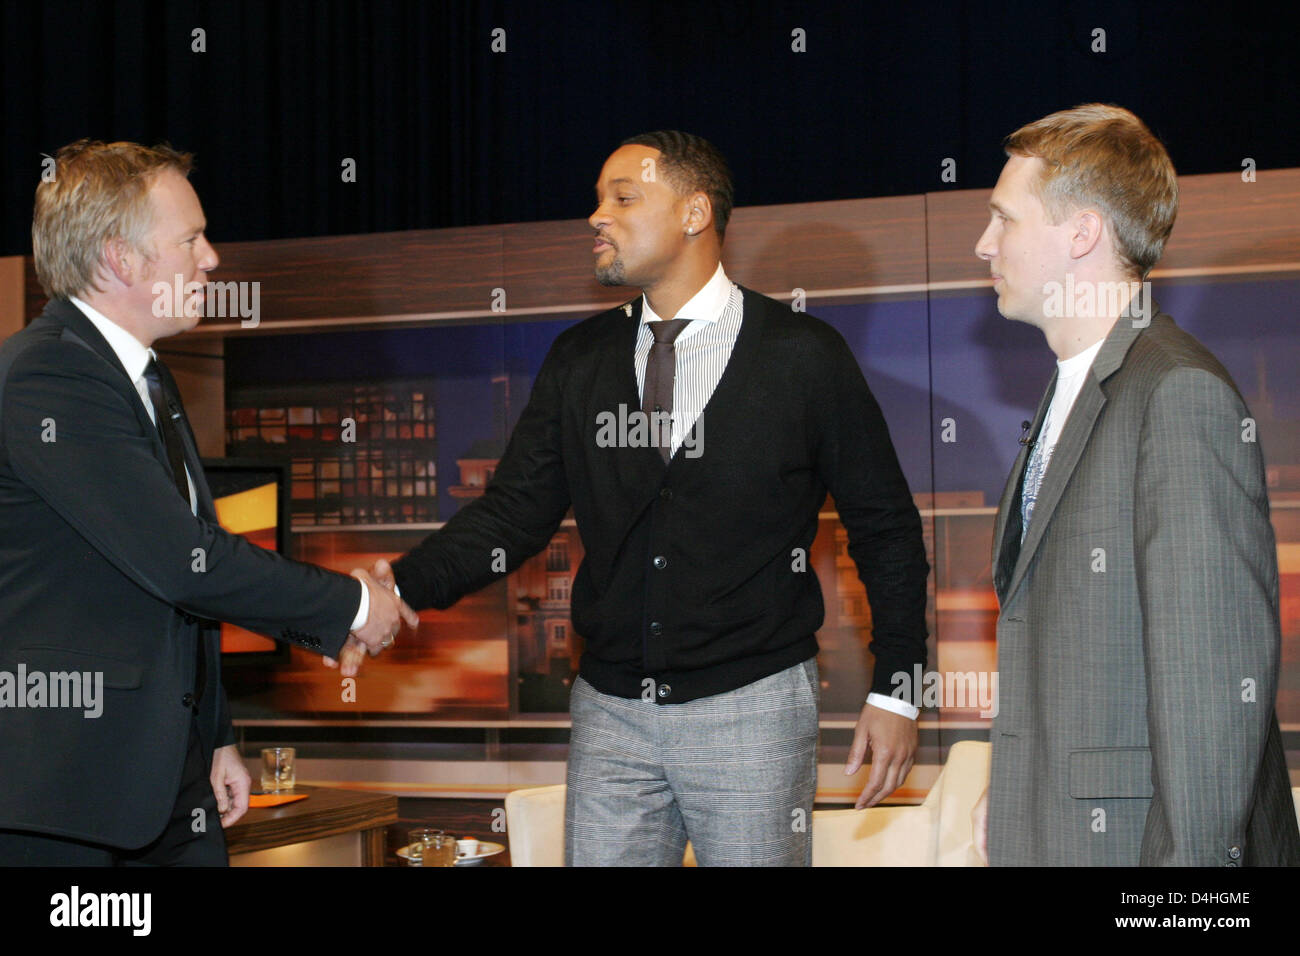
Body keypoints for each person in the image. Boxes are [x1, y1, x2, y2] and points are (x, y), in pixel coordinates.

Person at [355, 131, 929, 865]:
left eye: (623, 197)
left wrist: (898, 689)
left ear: (695, 213)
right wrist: (396, 585)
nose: (598, 215)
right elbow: (513, 514)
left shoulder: (803, 355)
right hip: (610, 714)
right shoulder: (578, 359)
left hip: (752, 708)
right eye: (598, 198)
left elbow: (885, 528)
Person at [0, 140, 416, 865]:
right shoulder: (51, 375)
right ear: (120, 258)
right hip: (71, 799)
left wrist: (215, 736)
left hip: (168, 783)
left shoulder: (144, 377)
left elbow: (172, 593)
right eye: (191, 239)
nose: (213, 259)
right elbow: (184, 564)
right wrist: (354, 607)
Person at [970, 105, 1300, 865]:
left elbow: (1210, 690)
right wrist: (1015, 787)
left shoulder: (1179, 396)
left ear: (1081, 234)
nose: (983, 244)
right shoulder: (1071, 392)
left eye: (1004, 220)